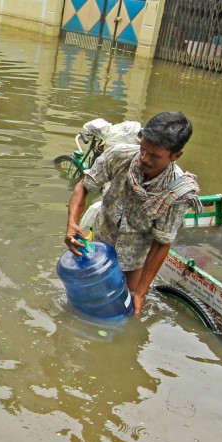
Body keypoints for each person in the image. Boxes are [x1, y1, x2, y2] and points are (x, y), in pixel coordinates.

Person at [65, 111, 202, 315]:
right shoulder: (120, 156)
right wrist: (72, 223)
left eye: (155, 155)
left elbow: (162, 242)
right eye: (143, 149)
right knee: (83, 300)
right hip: (99, 245)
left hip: (134, 260)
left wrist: (141, 291)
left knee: (122, 309)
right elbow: (83, 186)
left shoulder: (177, 191)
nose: (144, 158)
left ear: (175, 156)